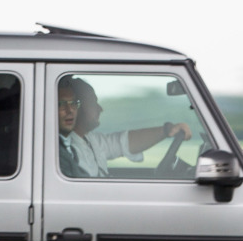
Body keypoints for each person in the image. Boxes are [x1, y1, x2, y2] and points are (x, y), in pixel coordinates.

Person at [57, 75, 192, 177]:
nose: (100, 109)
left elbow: (123, 142)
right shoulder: (62, 150)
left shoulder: (90, 139)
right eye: (93, 103)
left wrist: (166, 130)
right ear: (79, 108)